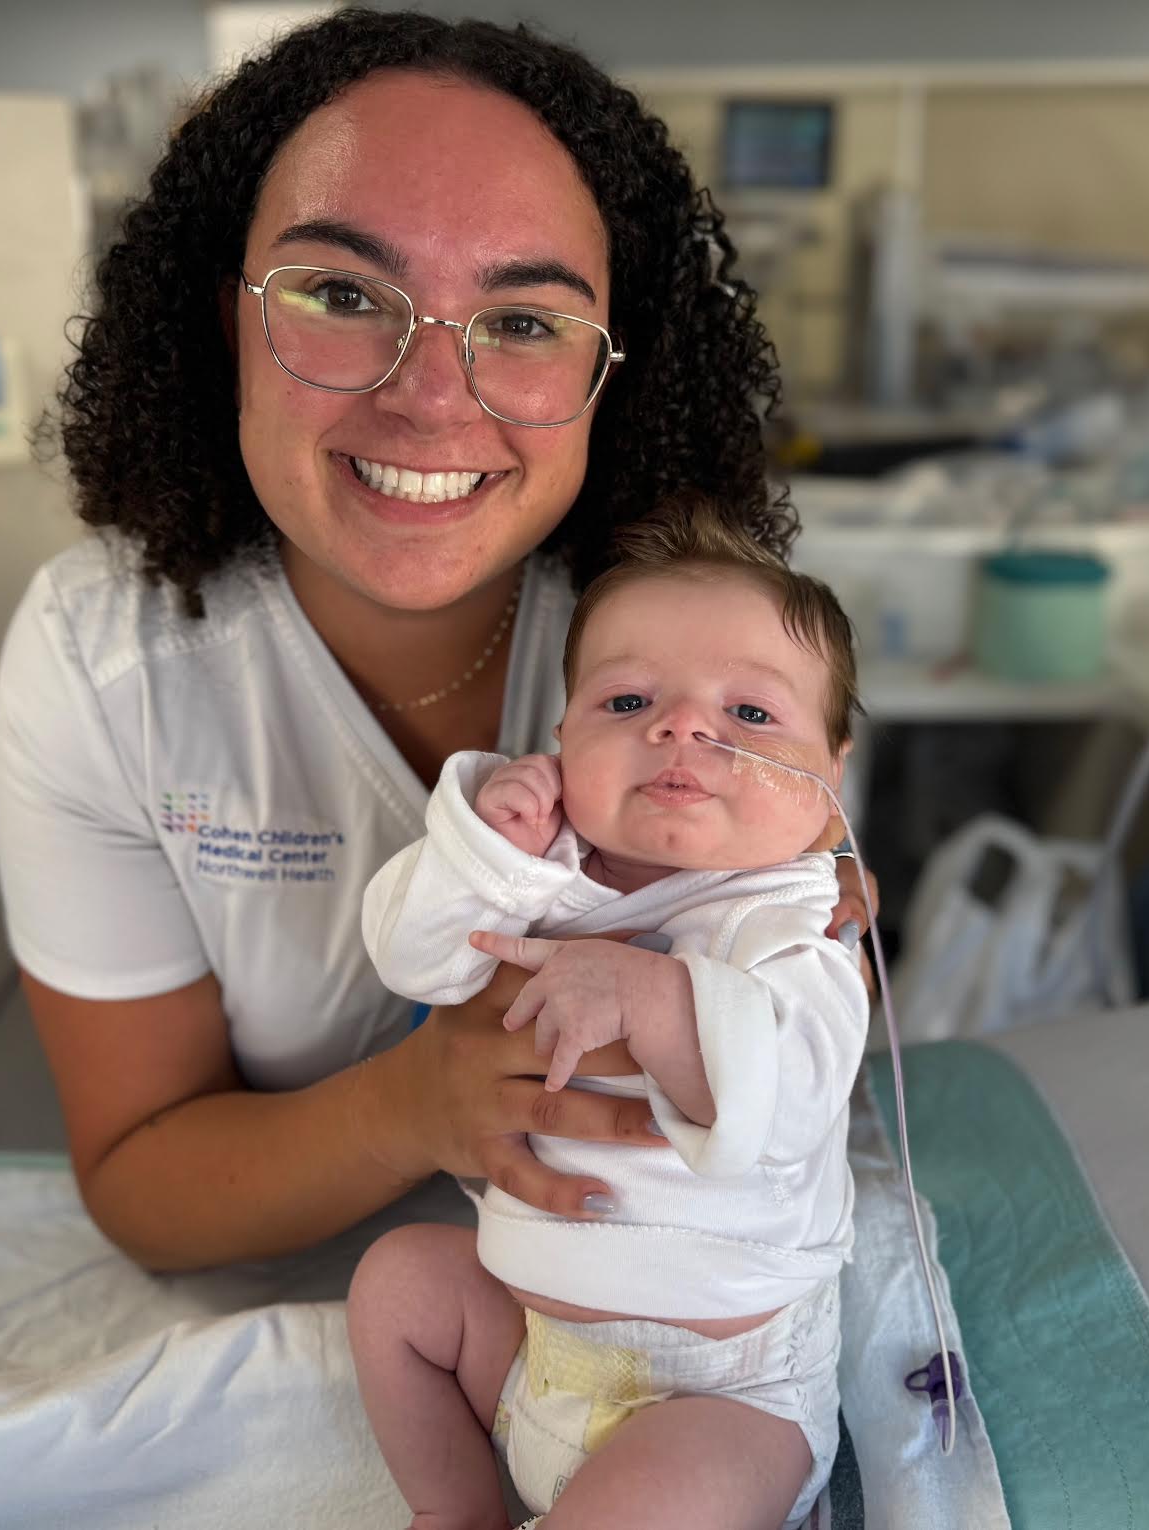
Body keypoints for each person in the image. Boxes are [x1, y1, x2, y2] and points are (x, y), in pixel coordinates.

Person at [0, 10, 874, 1279]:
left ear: (615, 372)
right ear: (223, 319)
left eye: (522, 322)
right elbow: (144, 1180)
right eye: (343, 295)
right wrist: (416, 1106)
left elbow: (799, 1035)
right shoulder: (103, 663)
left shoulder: (713, 644)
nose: (431, 396)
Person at [348, 504, 865, 1530]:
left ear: (830, 777)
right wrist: (488, 851)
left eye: (752, 716)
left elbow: (793, 1091)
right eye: (627, 700)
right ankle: (454, 1507)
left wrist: (647, 996)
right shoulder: (539, 875)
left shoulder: (788, 929)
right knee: (398, 1285)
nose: (681, 728)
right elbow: (410, 954)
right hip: (536, 1349)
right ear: (562, 740)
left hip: (722, 1393)